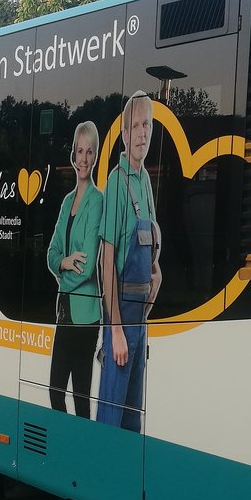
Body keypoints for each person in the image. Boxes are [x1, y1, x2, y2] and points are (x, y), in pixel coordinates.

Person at [98, 92, 161, 432]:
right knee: (111, 414)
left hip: (141, 319)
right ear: (124, 135)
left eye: (146, 125)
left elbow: (149, 244)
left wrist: (157, 273)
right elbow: (107, 262)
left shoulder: (145, 181)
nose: (141, 133)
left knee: (132, 416)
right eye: (135, 126)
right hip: (121, 315)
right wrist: (115, 331)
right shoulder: (116, 182)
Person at [46, 121, 104, 418]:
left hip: (85, 316)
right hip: (64, 312)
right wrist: (63, 261)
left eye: (89, 152)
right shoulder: (68, 201)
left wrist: (63, 268)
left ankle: (81, 453)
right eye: (79, 151)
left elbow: (87, 265)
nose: (83, 158)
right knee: (55, 390)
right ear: (73, 154)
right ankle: (65, 445)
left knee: (81, 396)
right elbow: (51, 252)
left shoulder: (98, 201)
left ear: (95, 157)